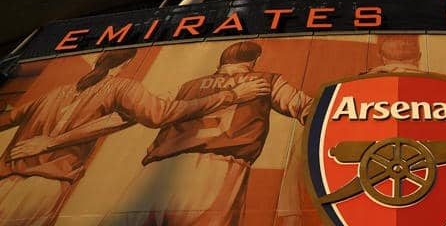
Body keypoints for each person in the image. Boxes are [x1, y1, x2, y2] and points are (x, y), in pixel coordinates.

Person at [0, 48, 267, 226]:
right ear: (127, 63)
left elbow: (8, 119)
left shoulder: (53, 93)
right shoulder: (122, 87)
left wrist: (51, 140)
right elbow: (159, 114)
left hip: (6, 180)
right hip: (42, 185)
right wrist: (231, 95)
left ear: (96, 61)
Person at [96, 41, 313, 225]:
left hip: (157, 170)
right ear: (254, 61)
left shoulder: (188, 86)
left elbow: (147, 112)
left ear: (220, 62)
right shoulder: (266, 81)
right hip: (218, 170)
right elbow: (307, 107)